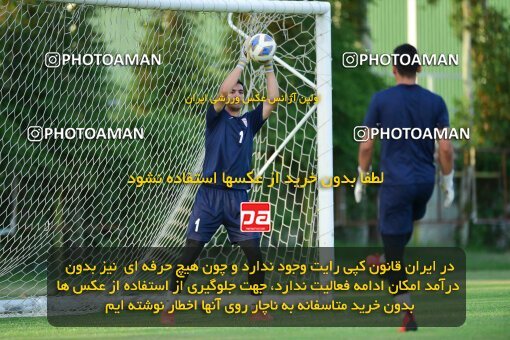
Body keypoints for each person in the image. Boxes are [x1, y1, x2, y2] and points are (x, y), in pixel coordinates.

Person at [161, 39, 279, 325]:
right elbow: (223, 90)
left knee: (255, 255)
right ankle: (169, 305)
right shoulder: (214, 118)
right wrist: (241, 62)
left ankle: (257, 307)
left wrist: (268, 65)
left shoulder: (249, 122)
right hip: (210, 197)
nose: (236, 94)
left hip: (241, 197)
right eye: (234, 91)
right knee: (190, 253)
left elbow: (273, 99)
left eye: (241, 91)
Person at [354, 43, 455, 332]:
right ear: (419, 68)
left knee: (395, 250)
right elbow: (446, 149)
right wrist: (448, 181)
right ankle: (385, 259)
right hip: (424, 184)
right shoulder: (436, 102)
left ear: (394, 69)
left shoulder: (381, 100)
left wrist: (362, 175)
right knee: (400, 235)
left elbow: (367, 144)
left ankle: (407, 313)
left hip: (396, 184)